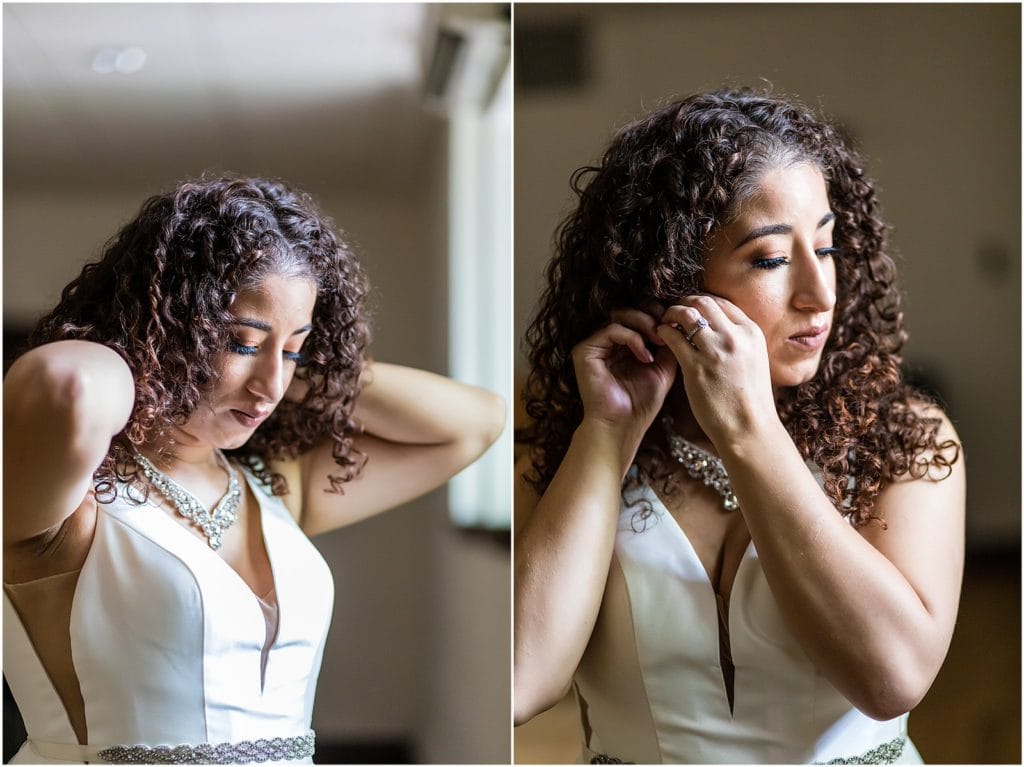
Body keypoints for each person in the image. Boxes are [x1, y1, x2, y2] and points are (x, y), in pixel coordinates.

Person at [514, 89, 964, 764]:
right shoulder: (562, 445)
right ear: (667, 274)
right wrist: (606, 435)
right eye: (770, 259)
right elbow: (521, 679)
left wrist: (750, 431)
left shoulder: (903, 435)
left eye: (827, 246)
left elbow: (894, 677)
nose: (820, 293)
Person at [3, 176, 506, 764]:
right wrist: (140, 350)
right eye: (241, 341)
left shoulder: (275, 488)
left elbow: (477, 422)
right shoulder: (65, 505)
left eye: (295, 349)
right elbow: (66, 387)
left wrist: (300, 374)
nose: (271, 386)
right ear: (166, 327)